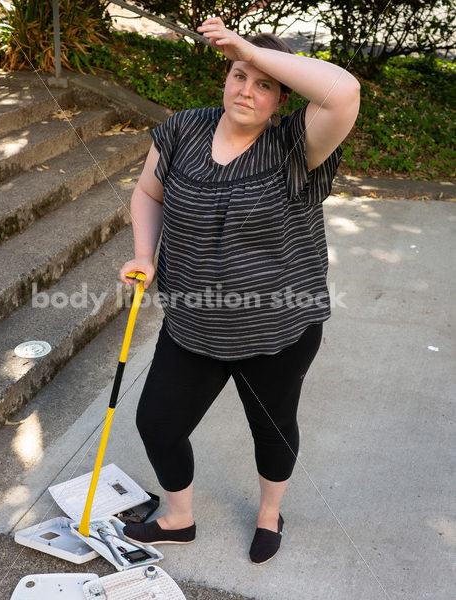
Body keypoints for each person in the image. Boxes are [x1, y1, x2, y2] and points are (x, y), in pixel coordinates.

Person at [118, 16, 360, 565]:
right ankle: (179, 519)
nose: (247, 90)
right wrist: (142, 254)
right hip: (192, 324)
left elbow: (344, 90)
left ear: (281, 97)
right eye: (237, 76)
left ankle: (269, 514)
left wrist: (249, 47)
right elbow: (147, 195)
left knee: (271, 429)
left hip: (278, 330)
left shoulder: (298, 146)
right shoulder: (182, 130)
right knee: (157, 422)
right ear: (223, 81)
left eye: (264, 83)